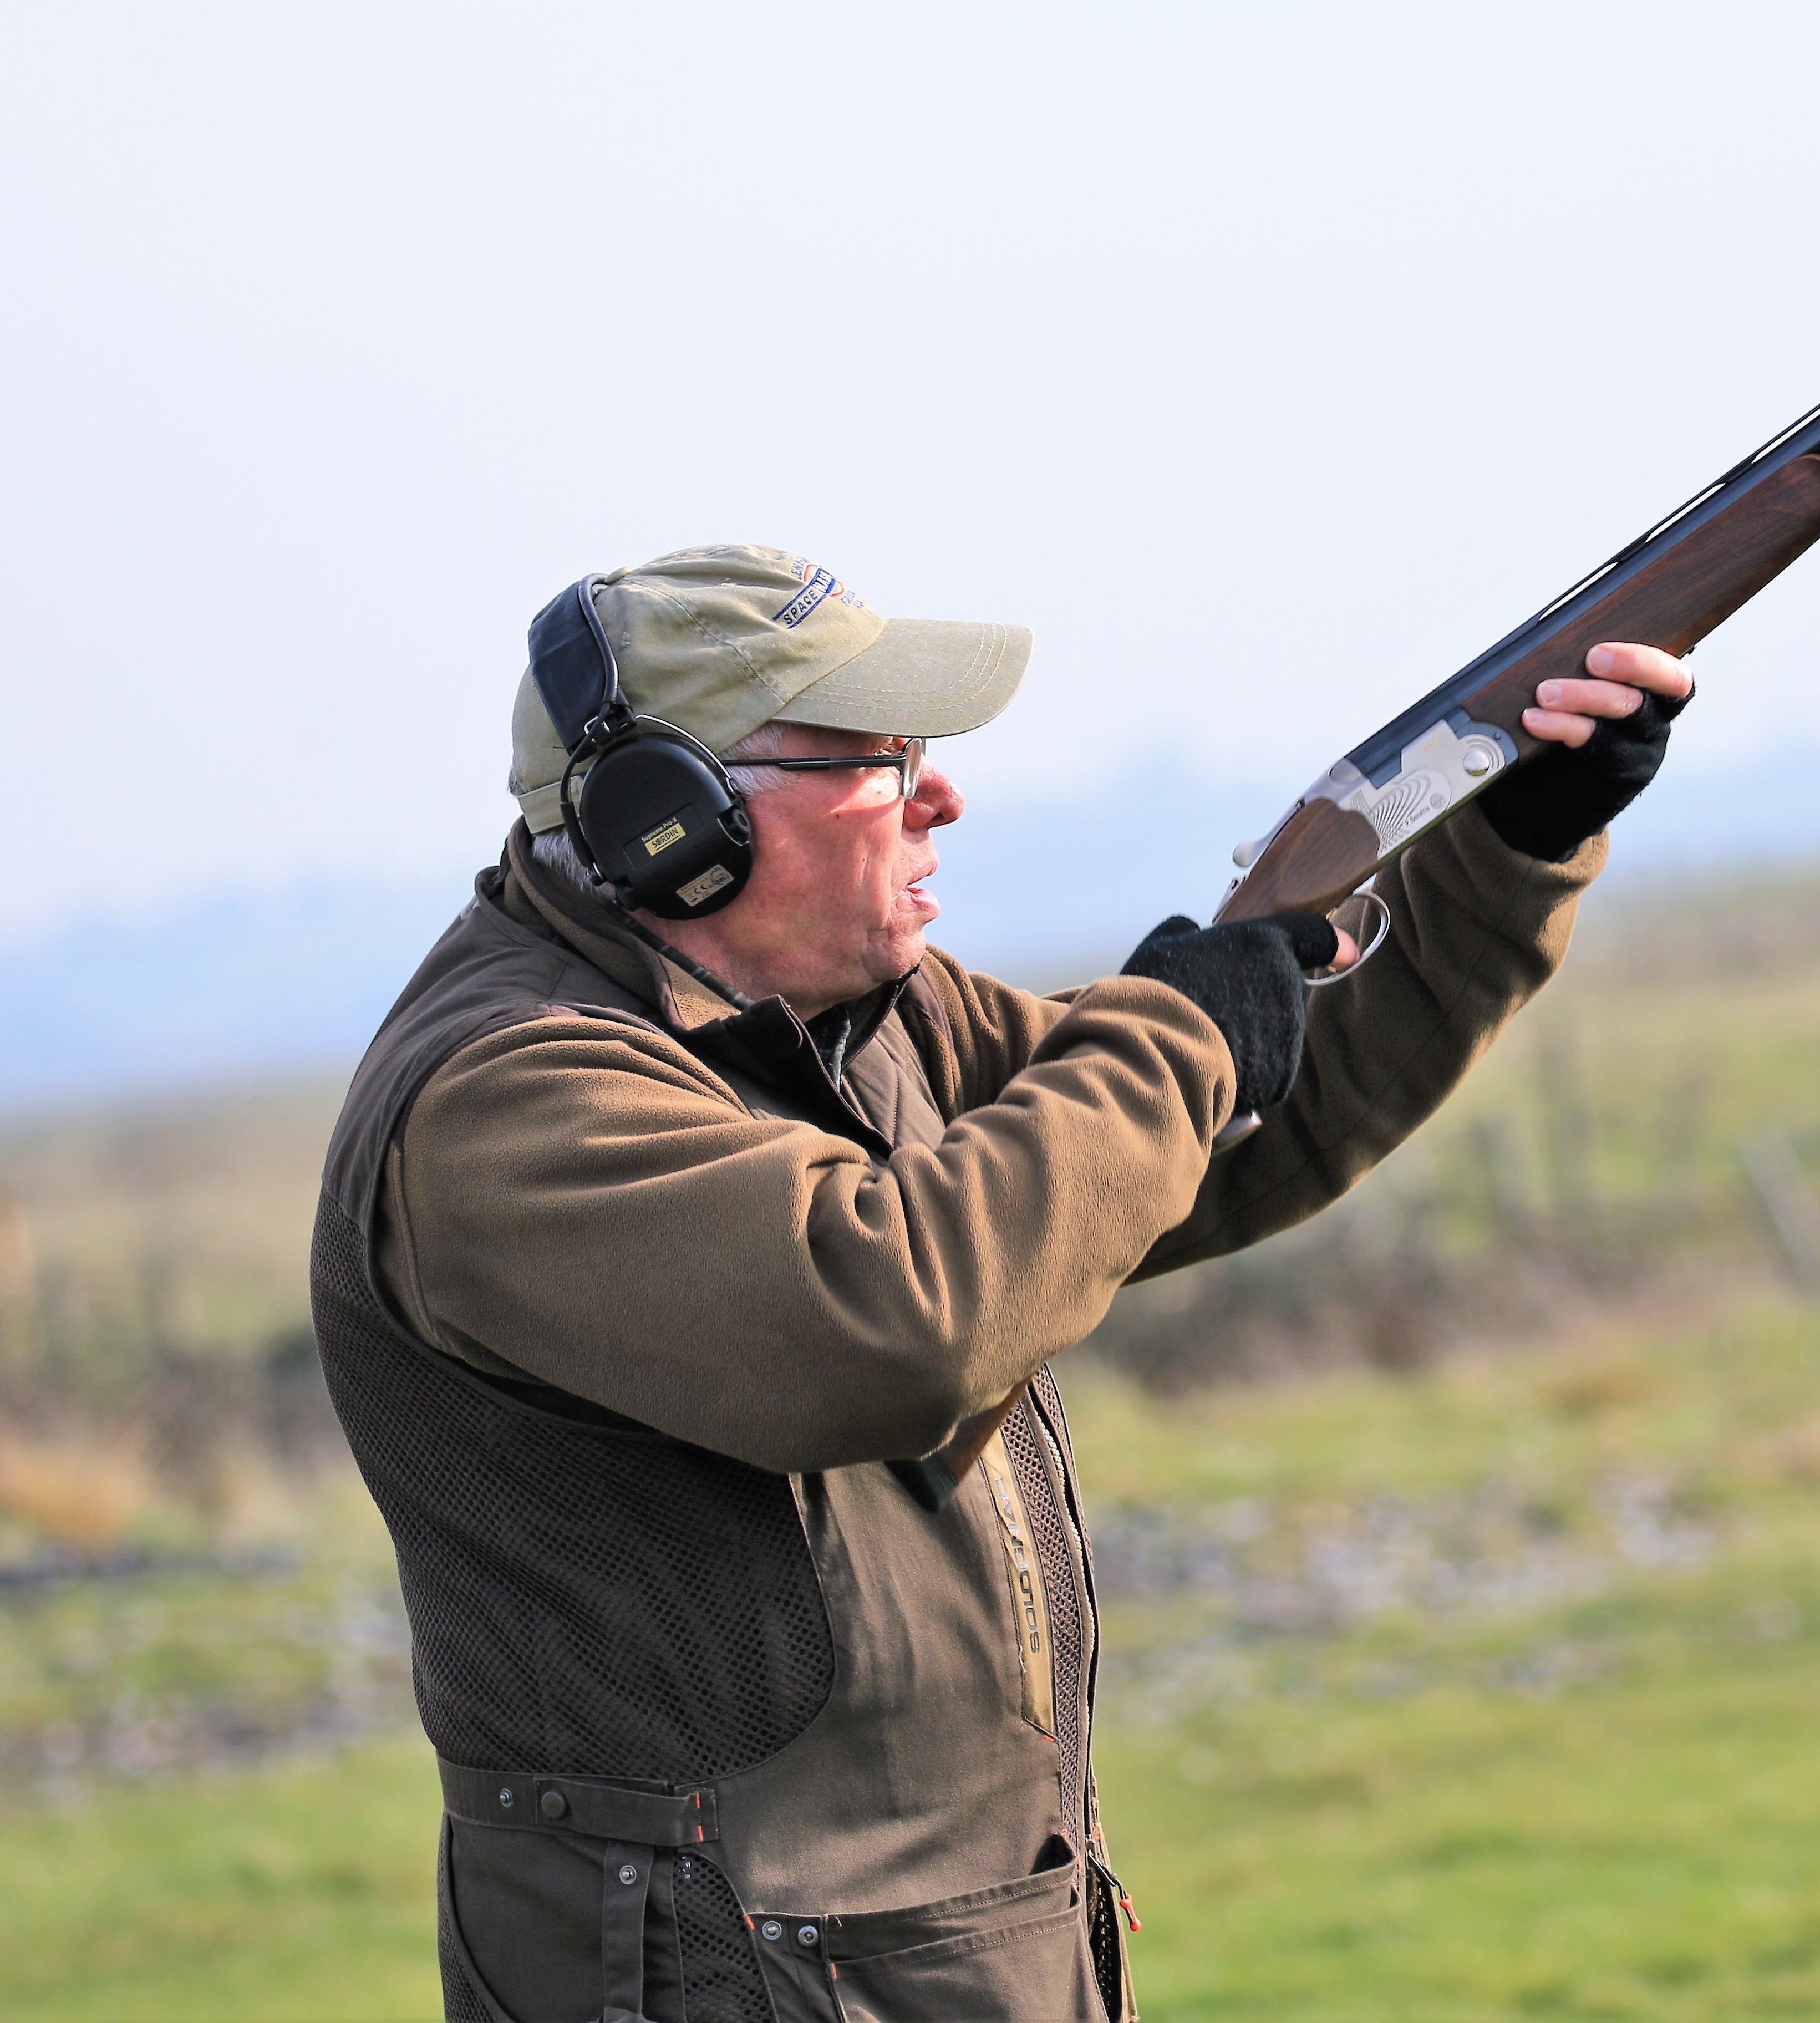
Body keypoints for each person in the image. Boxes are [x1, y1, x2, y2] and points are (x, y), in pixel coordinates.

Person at [311, 545, 1692, 2022]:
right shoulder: (509, 1103)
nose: (942, 795)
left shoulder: (863, 1020)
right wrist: (1174, 1035)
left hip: (939, 1954)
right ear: (674, 820)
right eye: (875, 760)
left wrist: (1509, 844)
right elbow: (897, 1320)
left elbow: (1190, 1143)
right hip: (722, 1976)